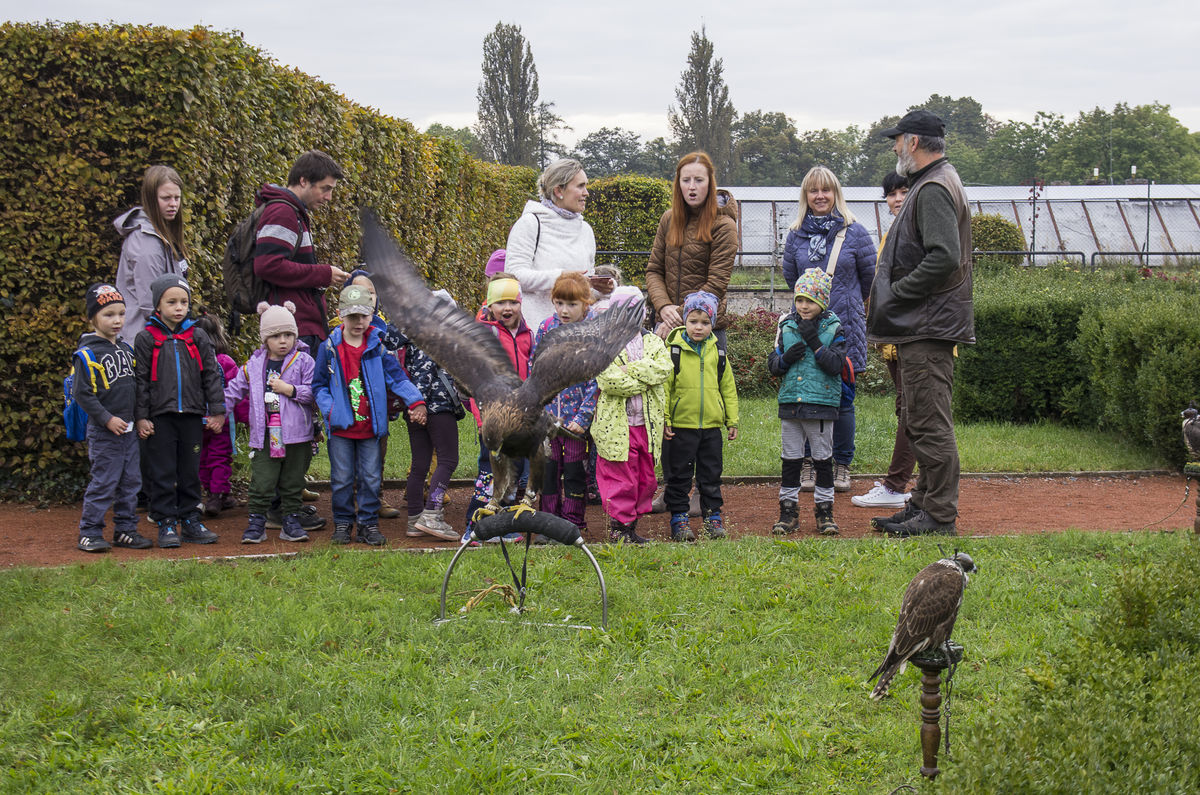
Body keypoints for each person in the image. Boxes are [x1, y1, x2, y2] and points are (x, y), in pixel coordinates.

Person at [867, 109, 974, 537]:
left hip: (927, 326)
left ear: (913, 142)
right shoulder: (936, 181)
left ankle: (939, 515)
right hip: (923, 325)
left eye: (897, 140)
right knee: (919, 418)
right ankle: (923, 504)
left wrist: (898, 291)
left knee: (929, 423)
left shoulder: (933, 187)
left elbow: (944, 256)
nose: (895, 147)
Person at [781, 166, 876, 493]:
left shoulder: (856, 233)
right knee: (806, 394)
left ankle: (842, 466)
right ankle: (807, 464)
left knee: (843, 400)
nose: (820, 196)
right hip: (805, 328)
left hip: (843, 329)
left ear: (836, 193)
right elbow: (791, 279)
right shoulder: (795, 235)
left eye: (826, 190)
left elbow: (869, 279)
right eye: (813, 190)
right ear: (805, 196)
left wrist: (844, 305)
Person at [314, 284, 426, 547]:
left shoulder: (378, 346)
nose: (359, 322)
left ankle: (368, 524)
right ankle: (343, 523)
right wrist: (330, 410)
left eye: (363, 315)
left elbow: (397, 378)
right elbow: (318, 385)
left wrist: (415, 401)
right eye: (352, 316)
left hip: (371, 429)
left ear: (371, 314)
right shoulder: (329, 348)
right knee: (341, 479)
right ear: (341, 314)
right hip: (341, 428)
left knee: (372, 477)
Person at [134, 274, 226, 548]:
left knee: (190, 471)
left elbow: (211, 374)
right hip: (160, 418)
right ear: (158, 305)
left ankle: (190, 520)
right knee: (162, 472)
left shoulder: (197, 336)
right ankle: (165, 523)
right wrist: (141, 417)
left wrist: (217, 411)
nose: (179, 307)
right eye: (171, 301)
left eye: (183, 301)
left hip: (192, 416)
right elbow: (140, 380)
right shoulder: (146, 338)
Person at [224, 302, 317, 544]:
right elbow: (233, 390)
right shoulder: (254, 366)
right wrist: (217, 413)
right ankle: (256, 523)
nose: (283, 341)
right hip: (265, 436)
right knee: (262, 481)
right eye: (276, 336)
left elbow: (314, 392)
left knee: (293, 481)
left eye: (288, 335)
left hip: (297, 436)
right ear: (265, 339)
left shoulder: (304, 361)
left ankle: (291, 522)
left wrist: (291, 389)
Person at [768, 269, 848, 536]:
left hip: (822, 405)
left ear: (822, 302)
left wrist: (814, 343)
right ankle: (788, 512)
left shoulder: (834, 328)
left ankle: (825, 512)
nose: (803, 306)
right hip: (791, 404)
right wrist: (786, 359)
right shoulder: (785, 325)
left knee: (823, 460)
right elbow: (774, 364)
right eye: (799, 299)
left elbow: (836, 365)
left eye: (810, 301)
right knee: (790, 460)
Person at [852, 173, 915, 511]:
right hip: (894, 339)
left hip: (913, 338)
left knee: (912, 411)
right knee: (906, 409)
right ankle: (907, 484)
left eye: (904, 190)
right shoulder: (892, 232)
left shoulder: (914, 231)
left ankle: (895, 486)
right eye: (891, 193)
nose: (897, 198)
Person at [74, 284, 151, 552]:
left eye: (120, 314)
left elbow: (136, 389)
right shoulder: (86, 354)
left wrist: (140, 419)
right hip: (105, 433)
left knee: (131, 482)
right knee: (104, 482)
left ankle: (126, 530)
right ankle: (90, 532)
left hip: (129, 431)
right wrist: (106, 419)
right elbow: (82, 394)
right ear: (93, 318)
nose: (117, 320)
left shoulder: (126, 350)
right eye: (108, 315)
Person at [592, 287, 672, 544]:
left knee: (644, 478)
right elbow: (610, 381)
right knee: (620, 477)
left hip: (646, 424)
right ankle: (620, 528)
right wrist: (645, 380)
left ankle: (631, 524)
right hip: (617, 426)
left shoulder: (653, 342)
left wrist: (630, 369)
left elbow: (664, 368)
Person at [253, 149, 350, 349]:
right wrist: (324, 274)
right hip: (294, 331)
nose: (329, 197)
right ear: (304, 181)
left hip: (298, 327)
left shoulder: (292, 212)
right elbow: (267, 265)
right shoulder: (283, 213)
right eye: (325, 188)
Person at [662, 291, 739, 541]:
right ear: (684, 320)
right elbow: (664, 387)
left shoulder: (719, 354)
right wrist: (665, 419)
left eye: (705, 322)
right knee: (679, 475)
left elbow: (728, 388)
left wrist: (732, 419)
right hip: (680, 426)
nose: (699, 327)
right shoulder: (673, 351)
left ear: (713, 324)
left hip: (711, 427)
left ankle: (712, 517)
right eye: (693, 321)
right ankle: (679, 519)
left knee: (711, 474)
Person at [462, 274, 533, 544]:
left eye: (512, 302)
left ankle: (498, 528)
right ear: (490, 305)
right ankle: (473, 527)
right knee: (489, 475)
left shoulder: (527, 335)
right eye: (500, 302)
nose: (507, 308)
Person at [645, 151, 738, 343]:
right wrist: (663, 307)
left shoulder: (723, 225)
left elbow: (716, 284)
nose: (692, 187)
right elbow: (654, 270)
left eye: (699, 180)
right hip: (665, 323)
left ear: (710, 184)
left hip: (703, 328)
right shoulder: (668, 219)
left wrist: (677, 316)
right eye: (686, 180)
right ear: (678, 184)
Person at [503, 158, 607, 329]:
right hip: (535, 333)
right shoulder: (530, 224)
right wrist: (562, 277)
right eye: (580, 186)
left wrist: (602, 288)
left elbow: (583, 288)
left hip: (575, 337)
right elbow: (514, 276)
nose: (586, 192)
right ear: (559, 190)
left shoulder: (586, 230)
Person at [532, 272, 599, 532]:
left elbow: (596, 380)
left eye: (571, 304)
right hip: (549, 420)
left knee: (574, 473)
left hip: (575, 424)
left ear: (586, 303)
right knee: (548, 473)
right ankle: (548, 523)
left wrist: (582, 418)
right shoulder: (546, 328)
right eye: (559, 303)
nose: (564, 310)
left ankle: (572, 523)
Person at [399, 289, 463, 543]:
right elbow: (425, 372)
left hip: (416, 407)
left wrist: (413, 405)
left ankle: (415, 519)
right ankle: (433, 513)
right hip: (436, 407)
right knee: (448, 459)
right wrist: (421, 404)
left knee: (420, 464)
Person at [342, 270, 405, 520]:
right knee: (350, 456)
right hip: (350, 405)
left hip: (377, 405)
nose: (368, 296)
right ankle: (350, 500)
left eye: (372, 292)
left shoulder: (383, 329)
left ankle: (374, 497)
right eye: (361, 291)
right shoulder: (339, 330)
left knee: (378, 452)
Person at [114, 165, 189, 347]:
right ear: (151, 199)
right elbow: (151, 303)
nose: (173, 204)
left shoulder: (163, 234)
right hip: (145, 343)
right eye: (166, 198)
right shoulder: (146, 244)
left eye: (177, 198)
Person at [192, 308, 240, 517]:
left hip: (197, 418)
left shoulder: (191, 361)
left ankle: (220, 493)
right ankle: (216, 495)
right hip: (222, 419)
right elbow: (238, 392)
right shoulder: (225, 362)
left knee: (202, 456)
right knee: (219, 457)